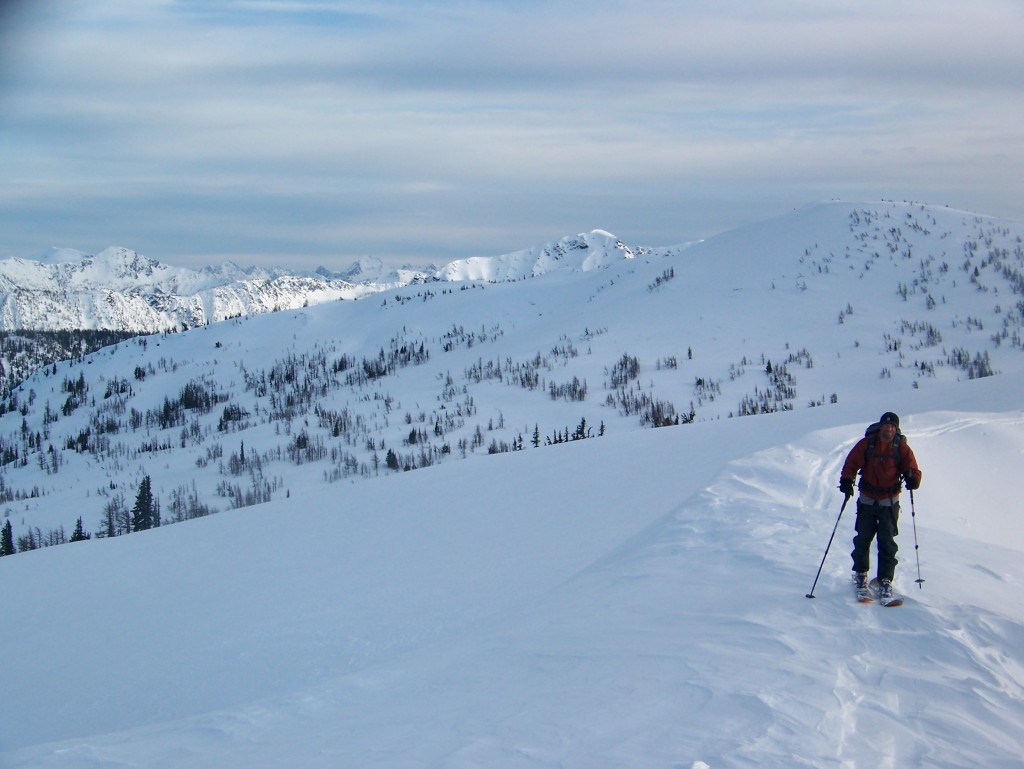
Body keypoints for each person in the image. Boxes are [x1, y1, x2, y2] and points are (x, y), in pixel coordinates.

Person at [839, 411, 922, 600]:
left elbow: (912, 469)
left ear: (896, 429)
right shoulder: (867, 444)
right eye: (886, 425)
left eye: (892, 426)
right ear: (881, 426)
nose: (889, 429)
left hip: (889, 502)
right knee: (863, 539)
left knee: (887, 542)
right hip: (868, 500)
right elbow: (851, 464)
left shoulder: (900, 449)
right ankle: (860, 574)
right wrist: (846, 480)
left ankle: (885, 579)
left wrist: (913, 479)